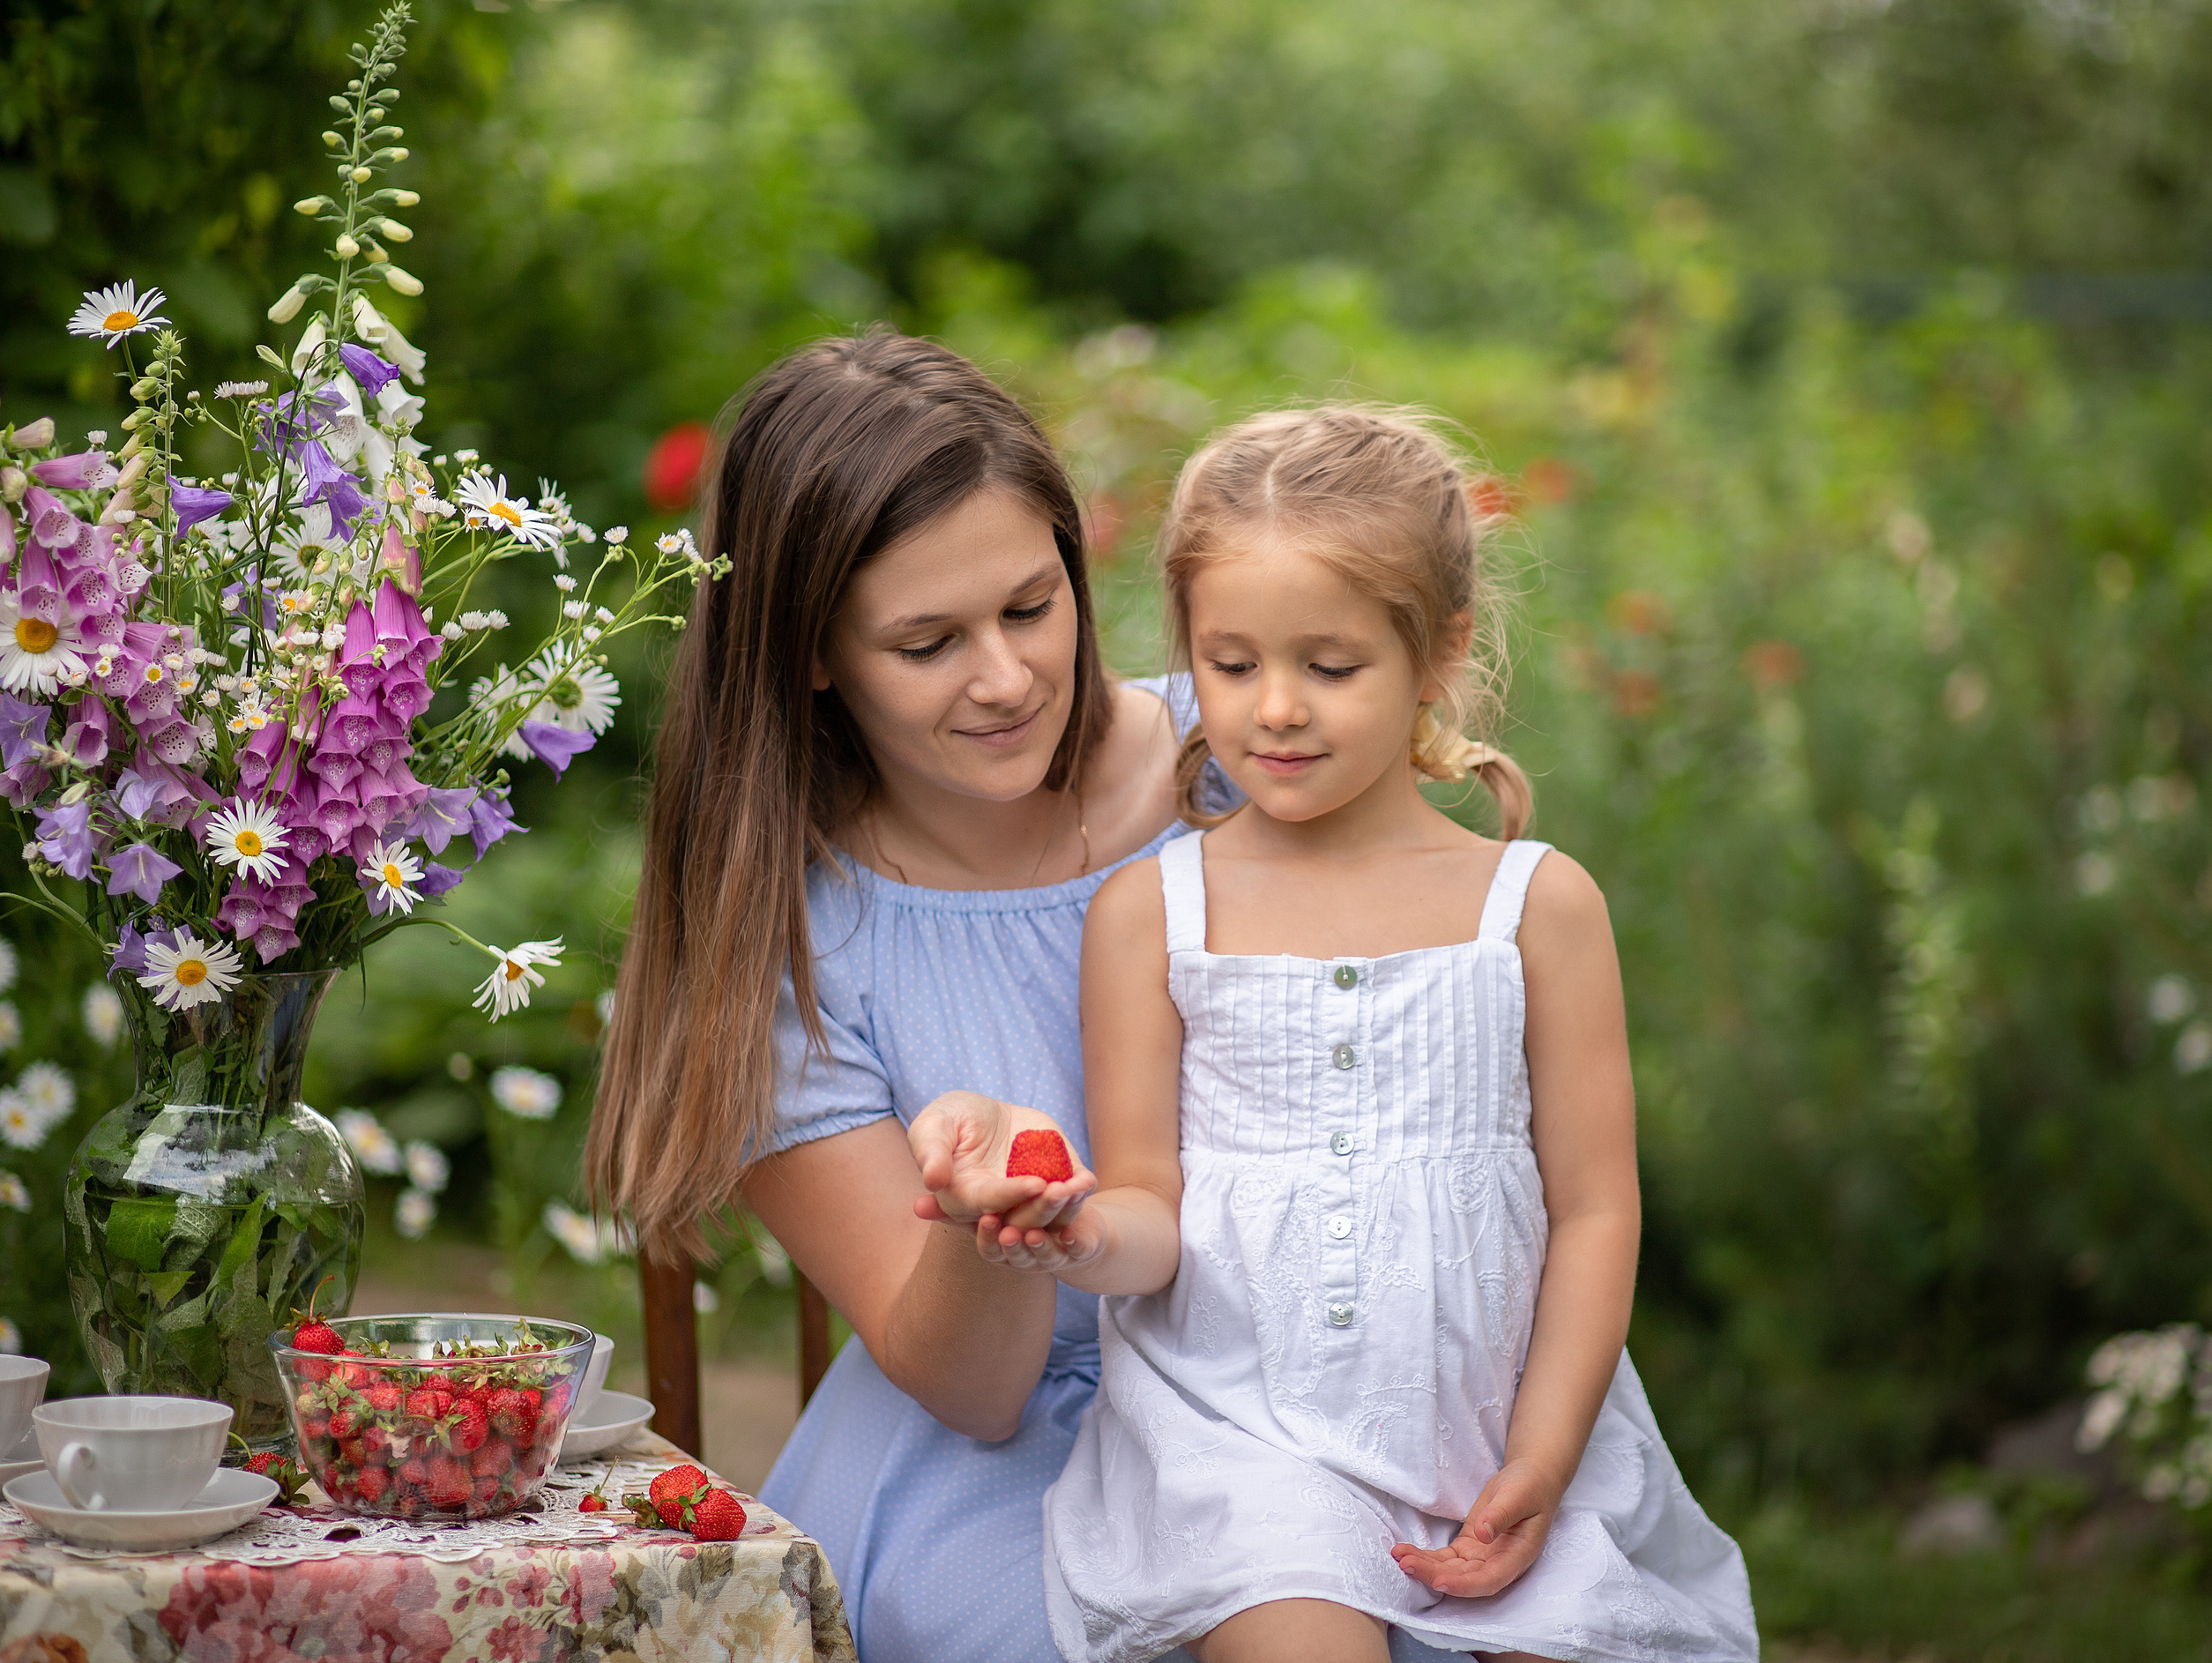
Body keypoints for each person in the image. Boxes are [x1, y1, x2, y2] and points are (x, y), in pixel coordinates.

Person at [974, 406, 1761, 1662]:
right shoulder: (1155, 913)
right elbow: (1149, 1212)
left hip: (1505, 1427)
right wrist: (1075, 1230)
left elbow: (1597, 1209)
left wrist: (1544, 1457)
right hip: (1250, 1443)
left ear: (1439, 650)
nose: (1275, 709)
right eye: (1231, 666)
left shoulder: (1537, 907)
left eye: (1329, 667)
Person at [585, 329, 1203, 1661]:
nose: (1005, 676)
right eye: (928, 642)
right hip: (1011, 1461)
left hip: (1316, 1382)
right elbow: (976, 1388)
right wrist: (996, 1229)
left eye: (1032, 607)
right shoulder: (772, 944)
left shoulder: (1247, 757)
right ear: (810, 655)